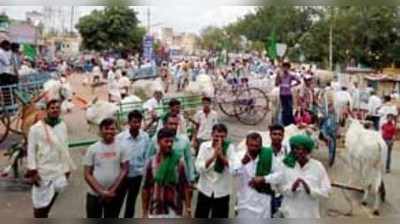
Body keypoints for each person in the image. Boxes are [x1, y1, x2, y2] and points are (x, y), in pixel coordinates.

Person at [27, 99, 76, 218]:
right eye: (52, 108)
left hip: (58, 169)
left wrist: (67, 167)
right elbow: (31, 150)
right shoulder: (36, 128)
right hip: (43, 171)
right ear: (47, 110)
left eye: (57, 108)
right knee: (39, 204)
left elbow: (65, 146)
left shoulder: (62, 125)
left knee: (54, 195)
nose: (55, 110)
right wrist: (32, 171)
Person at [271, 135, 331, 218]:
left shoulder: (317, 166)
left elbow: (326, 191)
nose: (299, 152)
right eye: (296, 148)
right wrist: (292, 189)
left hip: (310, 214)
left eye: (303, 149)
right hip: (289, 213)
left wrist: (310, 190)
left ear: (308, 151)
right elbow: (279, 188)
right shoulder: (285, 165)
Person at [84, 118, 129, 218]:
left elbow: (125, 169)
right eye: (106, 128)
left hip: (114, 194)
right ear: (100, 130)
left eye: (112, 129)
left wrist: (112, 190)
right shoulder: (92, 149)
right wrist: (101, 192)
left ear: (116, 130)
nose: (109, 131)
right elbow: (87, 174)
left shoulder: (122, 147)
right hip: (94, 194)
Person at [142, 128, 191, 218]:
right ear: (158, 142)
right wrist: (144, 212)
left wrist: (188, 209)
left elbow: (186, 187)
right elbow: (146, 188)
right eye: (166, 141)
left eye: (171, 142)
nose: (169, 144)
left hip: (175, 210)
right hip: (155, 210)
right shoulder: (151, 162)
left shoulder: (179, 162)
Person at [234, 133, 281, 218]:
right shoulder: (239, 155)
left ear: (261, 146)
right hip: (245, 201)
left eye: (256, 146)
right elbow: (233, 172)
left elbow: (279, 175)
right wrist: (242, 163)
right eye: (251, 145)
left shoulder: (268, 155)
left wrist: (264, 178)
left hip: (263, 201)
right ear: (246, 144)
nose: (253, 148)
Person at [195, 123, 237, 218]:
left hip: (222, 191)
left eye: (222, 136)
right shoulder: (204, 146)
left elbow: (234, 168)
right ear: (212, 135)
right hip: (205, 189)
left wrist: (221, 156)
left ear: (226, 136)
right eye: (216, 136)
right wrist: (213, 157)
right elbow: (198, 167)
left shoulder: (230, 148)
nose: (219, 139)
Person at [117, 110, 150, 218]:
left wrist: (144, 173)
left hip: (137, 176)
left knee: (131, 203)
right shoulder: (120, 138)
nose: (137, 125)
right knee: (118, 201)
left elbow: (147, 156)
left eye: (139, 122)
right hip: (122, 176)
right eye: (134, 122)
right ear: (129, 122)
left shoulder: (145, 137)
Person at [148, 114, 195, 183]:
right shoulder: (155, 140)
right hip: (161, 179)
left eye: (176, 124)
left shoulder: (184, 140)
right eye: (171, 124)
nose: (174, 127)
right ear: (164, 124)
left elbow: (189, 160)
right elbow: (149, 159)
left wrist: (191, 178)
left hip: (180, 178)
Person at [275, 62, 301, 126]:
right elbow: (276, 84)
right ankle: (284, 122)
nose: (285, 69)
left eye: (287, 67)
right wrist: (278, 77)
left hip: (288, 94)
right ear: (283, 68)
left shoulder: (291, 75)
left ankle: (289, 122)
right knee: (284, 109)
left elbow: (299, 81)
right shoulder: (280, 75)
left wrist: (292, 85)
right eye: (284, 67)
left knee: (289, 109)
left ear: (289, 68)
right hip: (282, 94)